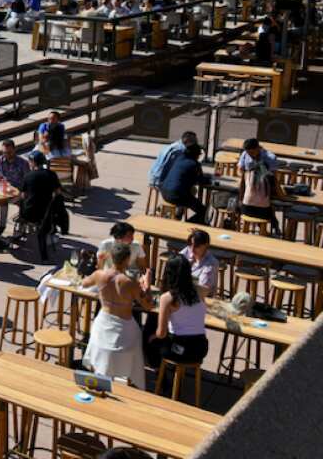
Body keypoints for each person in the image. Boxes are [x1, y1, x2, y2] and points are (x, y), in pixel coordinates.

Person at [81, 243, 153, 389]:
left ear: (111, 257)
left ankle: (99, 380)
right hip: (124, 330)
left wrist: (100, 266)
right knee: (137, 336)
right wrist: (147, 285)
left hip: (102, 326)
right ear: (127, 260)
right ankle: (131, 379)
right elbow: (148, 306)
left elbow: (84, 283)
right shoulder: (130, 283)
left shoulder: (99, 275)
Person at [147, 254, 209, 372]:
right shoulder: (200, 291)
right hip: (201, 348)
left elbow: (161, 333)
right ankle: (174, 376)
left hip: (179, 349)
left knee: (149, 337)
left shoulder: (168, 298)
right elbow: (206, 289)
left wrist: (153, 336)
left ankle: (160, 375)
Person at [20, 152, 64, 260]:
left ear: (33, 162)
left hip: (30, 214)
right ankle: (50, 232)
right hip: (48, 215)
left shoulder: (28, 176)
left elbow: (23, 196)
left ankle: (22, 233)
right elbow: (58, 193)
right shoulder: (52, 174)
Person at [159, 144, 211, 225]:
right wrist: (208, 179)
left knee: (189, 193)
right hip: (176, 196)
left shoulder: (178, 158)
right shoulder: (194, 164)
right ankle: (187, 225)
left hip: (164, 192)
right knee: (203, 211)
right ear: (196, 155)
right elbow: (201, 181)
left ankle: (178, 216)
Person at [238, 138, 281, 234]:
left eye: (252, 153)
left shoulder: (270, 157)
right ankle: (270, 227)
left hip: (252, 197)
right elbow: (240, 169)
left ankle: (267, 227)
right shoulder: (245, 154)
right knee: (266, 208)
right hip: (255, 196)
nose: (250, 155)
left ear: (258, 148)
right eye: (248, 153)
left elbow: (274, 176)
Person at [0, 139, 31, 225]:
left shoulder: (23, 163)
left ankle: (2, 225)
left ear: (14, 150)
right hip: (3, 190)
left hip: (17, 192)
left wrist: (22, 192)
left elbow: (28, 181)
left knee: (4, 200)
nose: (6, 155)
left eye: (9, 152)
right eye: (4, 152)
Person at [180, 229, 219, 298]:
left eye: (196, 246)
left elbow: (202, 290)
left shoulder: (211, 264)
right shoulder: (187, 251)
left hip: (200, 299)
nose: (192, 249)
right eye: (190, 244)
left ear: (206, 245)